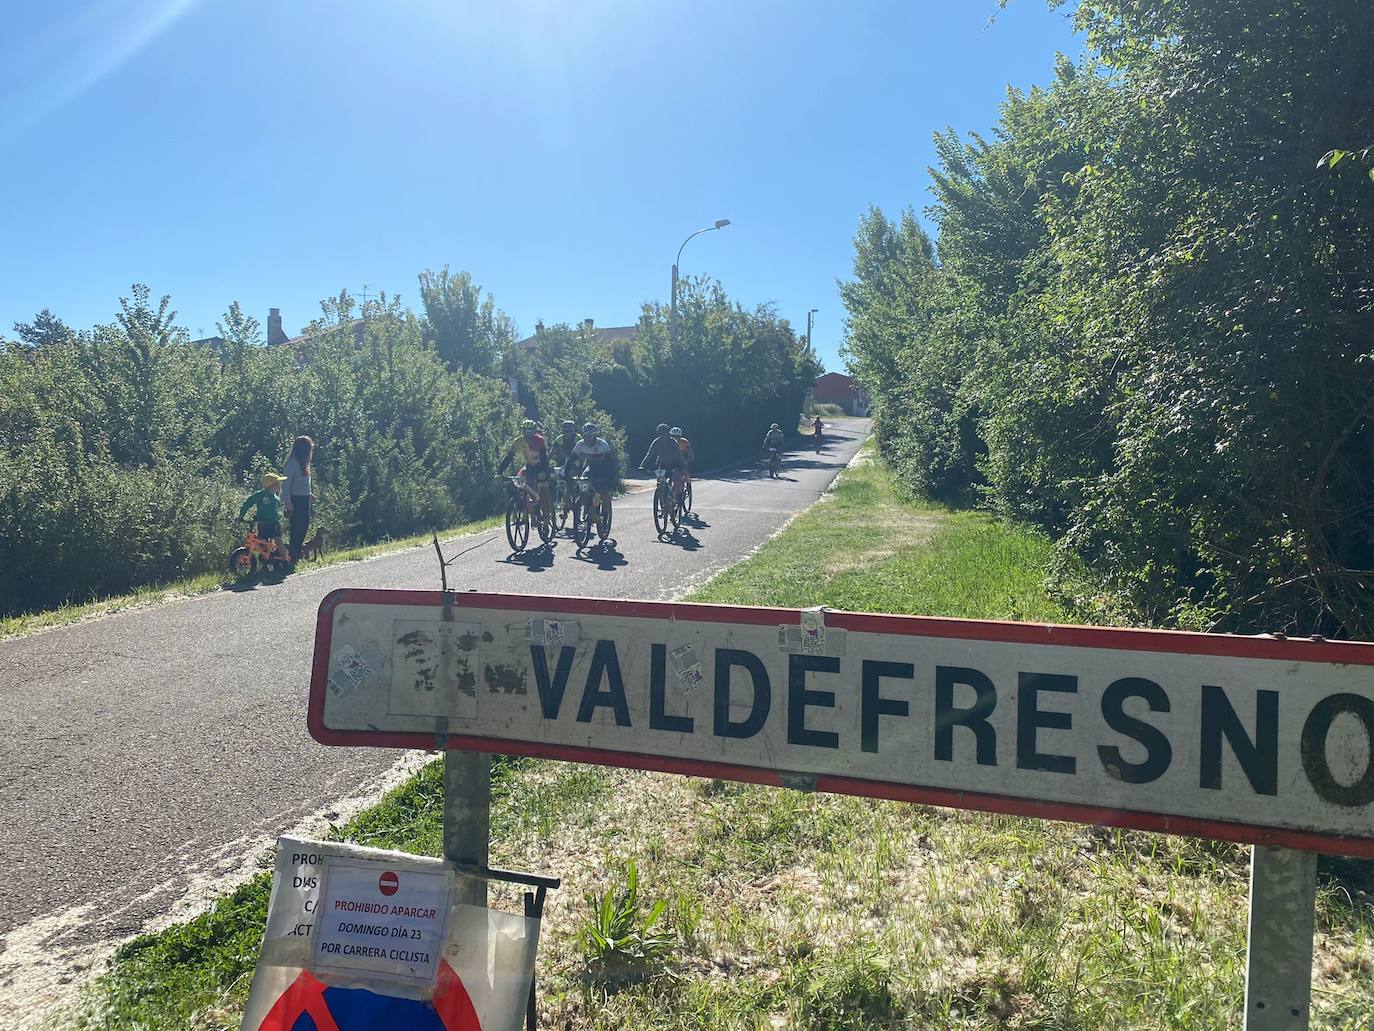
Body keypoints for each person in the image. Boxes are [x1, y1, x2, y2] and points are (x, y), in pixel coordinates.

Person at [499, 419, 553, 517]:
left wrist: (542, 471)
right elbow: (509, 457)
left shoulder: (540, 440)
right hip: (528, 467)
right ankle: (527, 507)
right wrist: (500, 470)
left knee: (543, 493)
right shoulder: (518, 441)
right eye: (524, 431)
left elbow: (544, 458)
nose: (527, 434)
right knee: (520, 484)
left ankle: (546, 519)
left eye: (529, 431)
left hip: (541, 467)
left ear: (534, 431)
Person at [239, 472, 291, 563]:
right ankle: (266, 562)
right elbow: (248, 502)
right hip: (262, 523)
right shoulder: (261, 495)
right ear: (272, 485)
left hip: (273, 523)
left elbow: (279, 508)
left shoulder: (275, 498)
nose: (280, 485)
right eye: (278, 483)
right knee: (262, 544)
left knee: (278, 541)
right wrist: (241, 515)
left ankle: (286, 560)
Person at [569, 421, 617, 516]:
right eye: (586, 436)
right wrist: (566, 473)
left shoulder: (602, 445)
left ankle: (605, 512)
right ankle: (587, 506)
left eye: (590, 436)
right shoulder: (580, 444)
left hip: (604, 470)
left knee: (604, 493)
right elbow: (571, 460)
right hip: (590, 469)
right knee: (583, 489)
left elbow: (611, 463)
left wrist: (613, 478)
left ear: (595, 436)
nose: (588, 439)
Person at [283, 435, 315, 564]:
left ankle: (294, 554)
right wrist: (288, 504)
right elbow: (286, 485)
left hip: (304, 499)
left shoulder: (304, 464)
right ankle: (292, 556)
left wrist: (309, 493)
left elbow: (304, 484)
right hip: (295, 500)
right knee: (297, 529)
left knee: (304, 527)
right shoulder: (292, 463)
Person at [640, 422, 686, 505]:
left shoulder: (673, 442)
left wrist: (680, 467)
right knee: (660, 484)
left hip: (674, 464)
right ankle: (663, 505)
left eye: (664, 434)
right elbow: (649, 455)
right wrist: (642, 465)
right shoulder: (656, 442)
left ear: (668, 434)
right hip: (661, 465)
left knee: (676, 478)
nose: (662, 436)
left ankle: (678, 496)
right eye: (660, 434)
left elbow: (678, 456)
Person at [551, 419, 580, 518]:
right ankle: (566, 507)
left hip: (577, 462)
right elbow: (552, 452)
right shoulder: (560, 439)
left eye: (570, 431)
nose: (568, 433)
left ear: (573, 431)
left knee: (569, 480)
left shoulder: (578, 438)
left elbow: (580, 452)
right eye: (565, 431)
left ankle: (574, 501)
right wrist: (545, 463)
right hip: (565, 463)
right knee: (562, 481)